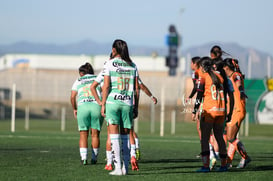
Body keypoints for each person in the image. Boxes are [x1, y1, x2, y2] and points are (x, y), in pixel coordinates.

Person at [91, 39, 139, 176]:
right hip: (128, 103)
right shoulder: (132, 65)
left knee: (114, 137)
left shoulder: (110, 64)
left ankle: (117, 168)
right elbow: (136, 89)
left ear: (113, 50)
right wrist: (136, 106)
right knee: (125, 137)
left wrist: (103, 104)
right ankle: (126, 168)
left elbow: (105, 86)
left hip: (113, 103)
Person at [192, 57, 228, 172]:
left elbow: (199, 96)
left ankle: (206, 166)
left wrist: (194, 111)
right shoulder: (220, 76)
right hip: (221, 110)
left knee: (204, 138)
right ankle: (223, 166)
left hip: (209, 111)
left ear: (203, 67)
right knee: (220, 138)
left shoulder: (204, 77)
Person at [70, 62, 104, 165]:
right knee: (95, 134)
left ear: (82, 73)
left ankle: (84, 159)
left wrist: (74, 109)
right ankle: (94, 159)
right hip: (96, 106)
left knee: (83, 134)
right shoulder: (97, 78)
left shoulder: (79, 80)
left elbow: (72, 97)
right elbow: (104, 89)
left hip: (82, 107)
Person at [223, 58, 251, 168]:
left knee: (231, 137)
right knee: (231, 137)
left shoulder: (235, 75)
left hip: (238, 110)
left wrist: (242, 91)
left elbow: (239, 82)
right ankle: (228, 163)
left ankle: (245, 157)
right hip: (235, 110)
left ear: (226, 67)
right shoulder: (232, 76)